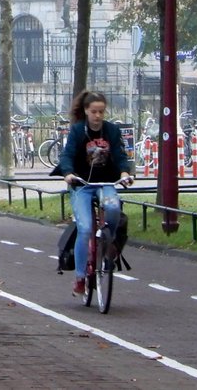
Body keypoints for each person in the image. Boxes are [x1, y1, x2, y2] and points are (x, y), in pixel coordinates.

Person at [56, 89, 133, 296]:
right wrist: (68, 173)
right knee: (84, 227)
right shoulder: (78, 131)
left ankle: (110, 246)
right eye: (94, 112)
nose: (98, 116)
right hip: (82, 184)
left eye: (101, 111)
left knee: (113, 208)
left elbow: (119, 154)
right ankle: (80, 278)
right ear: (86, 111)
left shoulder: (111, 131)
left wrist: (125, 172)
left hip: (105, 182)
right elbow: (68, 155)